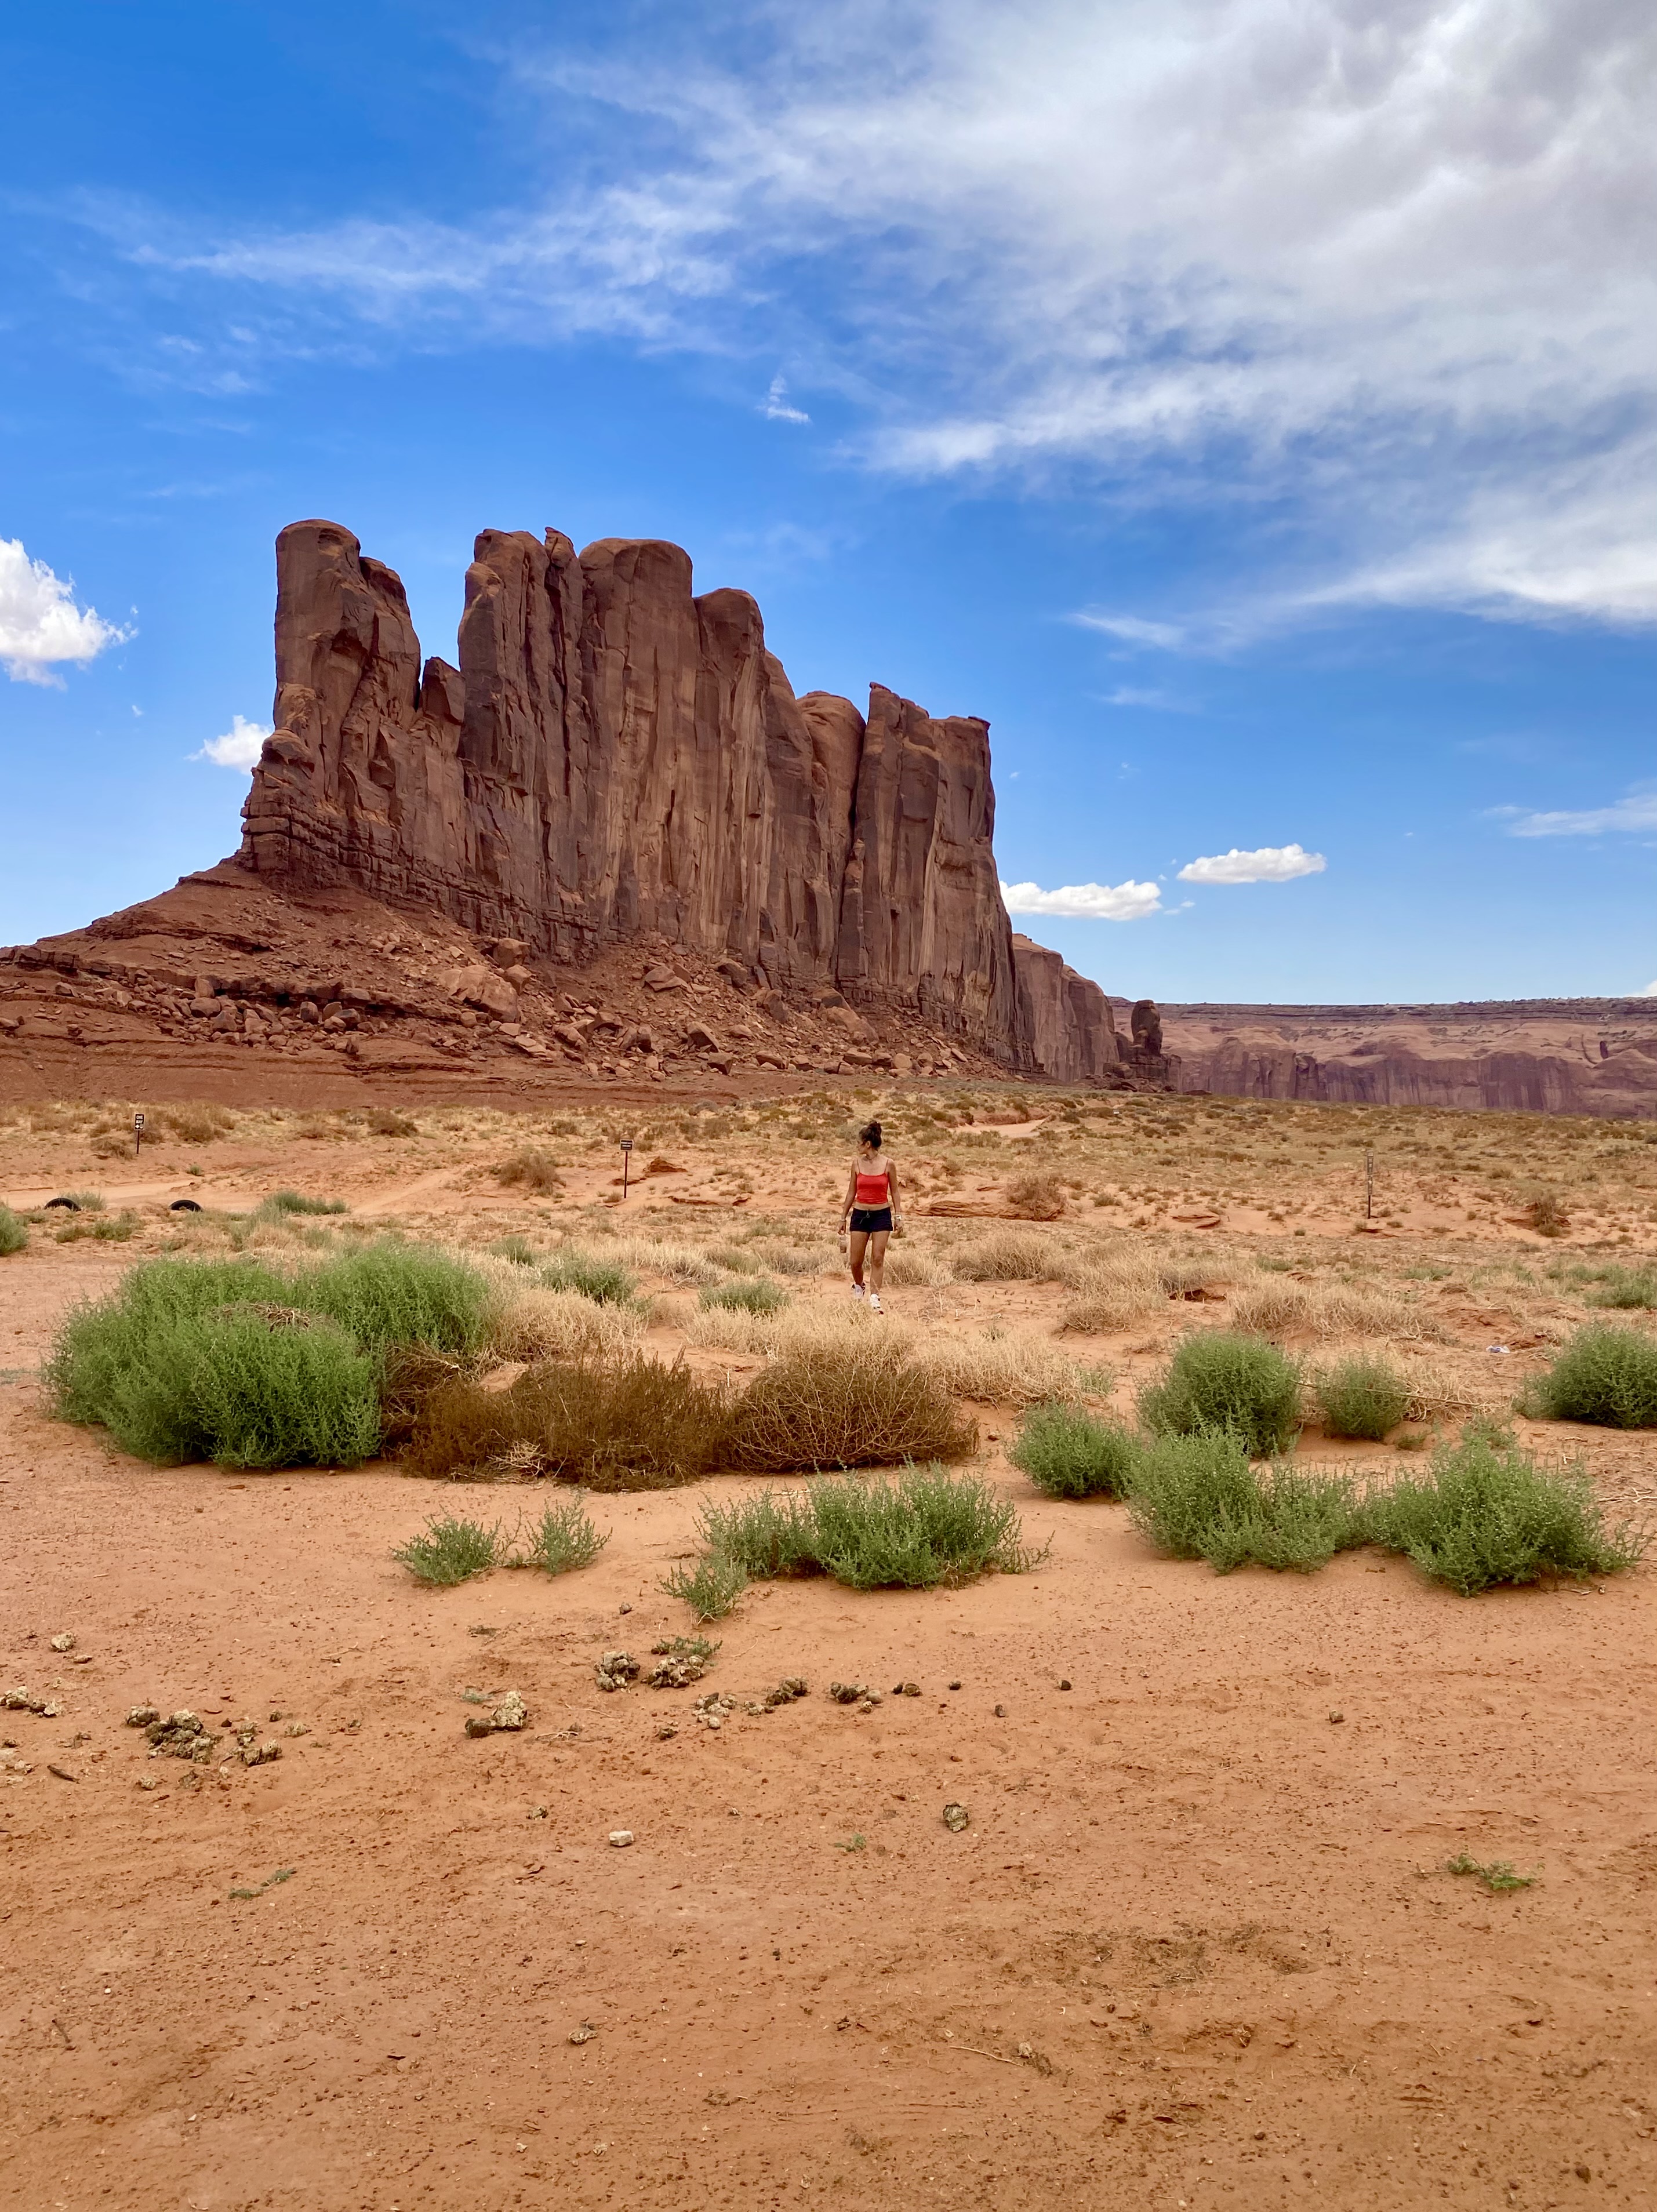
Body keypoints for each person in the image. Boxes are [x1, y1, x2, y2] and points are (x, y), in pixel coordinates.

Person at [839, 1118, 902, 1312]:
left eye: (859, 1142)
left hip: (881, 1215)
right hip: (860, 1215)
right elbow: (851, 1192)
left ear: (868, 1144)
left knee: (877, 1258)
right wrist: (843, 1216)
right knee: (856, 1261)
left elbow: (895, 1191)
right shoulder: (856, 1164)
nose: (856, 1145)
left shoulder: (889, 1164)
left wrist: (898, 1215)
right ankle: (859, 1287)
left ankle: (875, 1298)